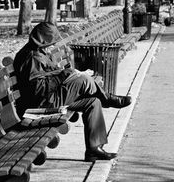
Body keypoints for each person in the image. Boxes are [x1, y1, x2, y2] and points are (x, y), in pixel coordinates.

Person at [13, 22, 132, 162]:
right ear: (43, 41)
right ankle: (108, 98)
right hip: (40, 105)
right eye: (51, 43)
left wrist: (69, 74)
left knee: (93, 102)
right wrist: (66, 74)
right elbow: (38, 90)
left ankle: (94, 149)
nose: (52, 46)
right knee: (83, 80)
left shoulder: (38, 52)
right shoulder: (31, 57)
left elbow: (48, 76)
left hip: (49, 98)